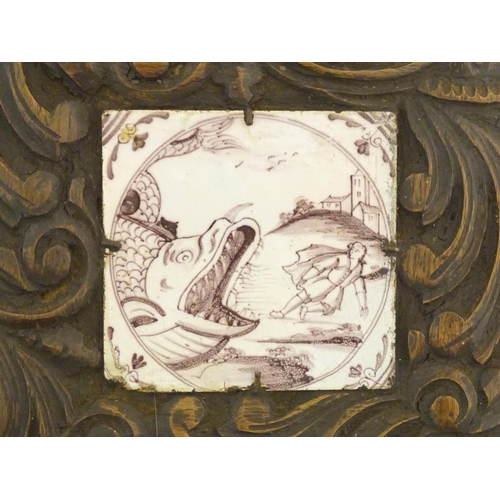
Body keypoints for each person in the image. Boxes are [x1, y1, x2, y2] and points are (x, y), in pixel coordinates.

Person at [270, 241, 368, 320]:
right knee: (303, 296)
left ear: (361, 255)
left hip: (337, 290)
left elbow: (360, 288)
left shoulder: (358, 269)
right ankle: (282, 312)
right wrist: (305, 277)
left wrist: (363, 305)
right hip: (326, 283)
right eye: (352, 249)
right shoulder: (341, 259)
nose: (352, 251)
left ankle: (307, 308)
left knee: (329, 308)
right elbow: (321, 267)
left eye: (356, 251)